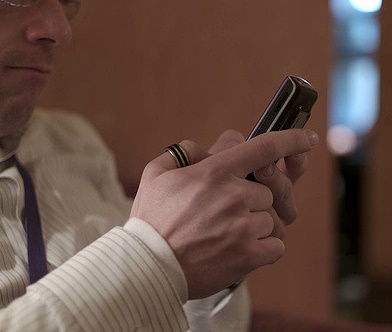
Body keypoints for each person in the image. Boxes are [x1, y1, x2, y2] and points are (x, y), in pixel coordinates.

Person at [0, 0, 319, 331]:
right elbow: (152, 266)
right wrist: (152, 260)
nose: (61, 30)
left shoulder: (75, 145)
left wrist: (210, 255)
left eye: (66, 0)